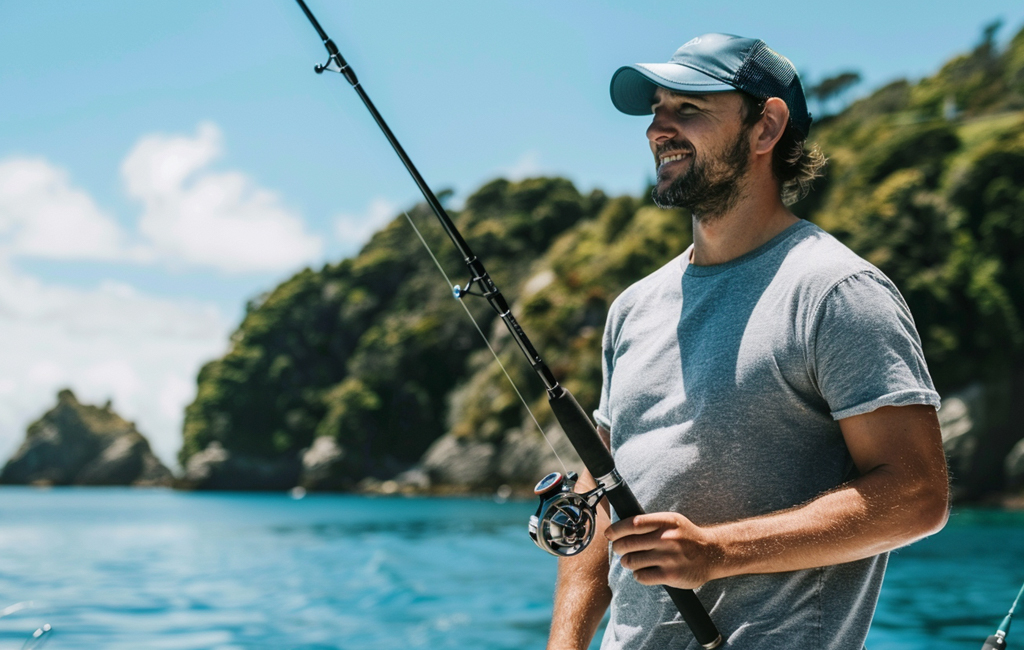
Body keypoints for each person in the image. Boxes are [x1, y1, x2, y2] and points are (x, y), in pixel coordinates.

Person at [546, 33, 950, 650]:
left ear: (767, 126)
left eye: (688, 108)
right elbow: (598, 490)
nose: (658, 128)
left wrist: (717, 551)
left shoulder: (837, 291)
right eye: (656, 109)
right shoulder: (633, 308)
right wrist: (567, 643)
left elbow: (918, 495)